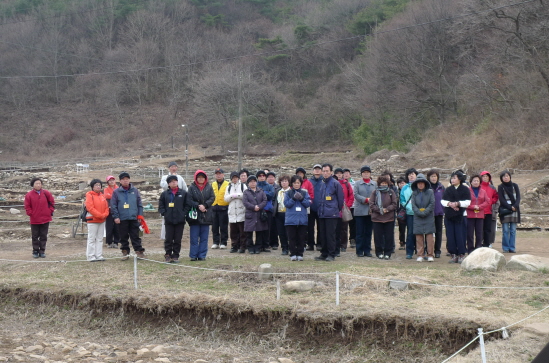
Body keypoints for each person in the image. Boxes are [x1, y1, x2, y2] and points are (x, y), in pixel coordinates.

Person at [111, 172, 146, 260]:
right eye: (123, 179)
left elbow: (139, 204)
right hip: (122, 218)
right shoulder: (116, 192)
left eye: (127, 179)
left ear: (129, 180)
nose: (125, 181)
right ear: (120, 181)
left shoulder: (135, 191)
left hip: (134, 217)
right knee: (123, 237)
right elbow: (113, 205)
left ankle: (139, 252)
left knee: (135, 236)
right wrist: (116, 217)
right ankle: (125, 252)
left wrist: (140, 215)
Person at [158, 175, 191, 263]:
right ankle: (168, 254)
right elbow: (161, 205)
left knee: (177, 239)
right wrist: (164, 213)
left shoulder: (183, 193)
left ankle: (176, 255)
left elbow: (187, 205)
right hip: (169, 220)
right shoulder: (165, 194)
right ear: (168, 184)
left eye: (175, 181)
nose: (174, 182)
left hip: (180, 220)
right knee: (168, 238)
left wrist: (183, 213)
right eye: (171, 181)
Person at [315, 164, 344, 262]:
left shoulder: (336, 183)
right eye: (324, 171)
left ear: (331, 172)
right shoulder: (322, 183)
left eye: (327, 171)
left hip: (332, 214)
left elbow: (340, 200)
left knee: (330, 235)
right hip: (322, 213)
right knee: (322, 235)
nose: (325, 173)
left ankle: (331, 254)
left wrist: (335, 210)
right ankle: (324, 253)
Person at [441, 170, 471, 263]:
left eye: (454, 178)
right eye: (452, 178)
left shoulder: (465, 189)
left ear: (460, 179)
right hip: (449, 216)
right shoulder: (448, 189)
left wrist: (458, 204)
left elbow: (468, 202)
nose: (452, 179)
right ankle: (453, 254)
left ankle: (461, 254)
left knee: (460, 235)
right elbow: (443, 201)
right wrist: (450, 204)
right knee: (450, 235)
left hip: (461, 216)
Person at [186, 170, 215, 261]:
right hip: (195, 216)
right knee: (194, 237)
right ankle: (193, 255)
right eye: (199, 177)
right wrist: (198, 206)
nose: (201, 179)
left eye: (202, 177)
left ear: (205, 178)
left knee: (204, 238)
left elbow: (212, 197)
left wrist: (205, 205)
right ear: (196, 178)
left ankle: (202, 255)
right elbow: (189, 199)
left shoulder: (209, 187)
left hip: (206, 214)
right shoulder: (191, 187)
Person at [24, 177, 55, 259]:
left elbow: (52, 202)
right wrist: (31, 213)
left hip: (45, 218)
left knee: (43, 235)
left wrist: (49, 211)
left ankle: (42, 251)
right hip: (34, 219)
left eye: (39, 183)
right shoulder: (29, 195)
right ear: (33, 185)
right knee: (35, 236)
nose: (38, 185)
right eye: (36, 183)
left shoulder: (46, 193)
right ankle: (35, 251)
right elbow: (27, 206)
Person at [369, 175, 397, 260]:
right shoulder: (375, 192)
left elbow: (394, 204)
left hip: (389, 218)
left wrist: (387, 209)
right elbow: (371, 204)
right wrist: (379, 210)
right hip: (377, 218)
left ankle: (388, 253)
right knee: (378, 236)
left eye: (385, 183)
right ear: (379, 184)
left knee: (389, 236)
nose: (384, 185)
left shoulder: (391, 192)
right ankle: (379, 252)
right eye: (382, 183)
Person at [284, 175, 311, 261]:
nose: (296, 184)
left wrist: (302, 198)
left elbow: (308, 204)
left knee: (301, 237)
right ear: (292, 183)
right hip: (291, 219)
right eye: (295, 183)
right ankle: (292, 253)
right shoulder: (288, 193)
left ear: (301, 183)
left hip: (302, 219)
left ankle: (300, 254)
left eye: (298, 183)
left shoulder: (304, 192)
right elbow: (287, 204)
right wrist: (293, 198)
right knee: (291, 238)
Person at [160, 161, 188, 241]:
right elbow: (164, 187)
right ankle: (166, 236)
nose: (173, 168)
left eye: (175, 167)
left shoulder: (180, 177)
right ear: (169, 168)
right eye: (172, 167)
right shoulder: (164, 177)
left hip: (179, 200)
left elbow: (185, 189)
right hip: (168, 200)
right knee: (166, 220)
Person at [410, 173, 435, 262]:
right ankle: (420, 254)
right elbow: (413, 205)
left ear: (425, 183)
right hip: (417, 217)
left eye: (422, 183)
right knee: (419, 237)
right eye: (418, 183)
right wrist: (419, 212)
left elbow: (432, 203)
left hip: (428, 217)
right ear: (416, 184)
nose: (420, 184)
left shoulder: (430, 192)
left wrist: (425, 212)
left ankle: (430, 255)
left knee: (429, 237)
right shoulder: (414, 193)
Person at [353, 165, 377, 257]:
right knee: (359, 232)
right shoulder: (357, 183)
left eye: (367, 172)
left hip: (370, 211)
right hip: (360, 211)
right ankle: (359, 250)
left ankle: (367, 250)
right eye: (364, 173)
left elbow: (376, 194)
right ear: (361, 174)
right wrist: (366, 200)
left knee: (368, 232)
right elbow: (356, 194)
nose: (366, 174)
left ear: (370, 174)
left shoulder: (374, 184)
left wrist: (371, 200)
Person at [242, 175, 268, 254]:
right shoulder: (246, 192)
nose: (253, 183)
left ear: (256, 182)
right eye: (251, 182)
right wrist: (253, 207)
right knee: (249, 232)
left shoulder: (261, 191)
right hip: (250, 214)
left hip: (259, 214)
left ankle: (258, 247)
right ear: (248, 183)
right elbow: (245, 202)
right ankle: (250, 247)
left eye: (254, 181)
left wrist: (259, 207)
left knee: (259, 232)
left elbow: (264, 200)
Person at [85, 179, 110, 262]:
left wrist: (105, 214)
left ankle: (98, 255)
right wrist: (100, 215)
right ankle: (91, 256)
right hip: (93, 220)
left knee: (100, 238)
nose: (98, 186)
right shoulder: (89, 195)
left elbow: (106, 207)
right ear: (92, 186)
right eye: (96, 185)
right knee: (92, 238)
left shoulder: (102, 196)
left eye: (99, 185)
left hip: (102, 220)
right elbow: (90, 208)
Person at [224, 171, 248, 253]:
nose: (235, 179)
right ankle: (234, 246)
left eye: (236, 178)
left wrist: (237, 195)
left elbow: (245, 195)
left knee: (242, 231)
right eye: (233, 178)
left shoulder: (242, 186)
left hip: (241, 211)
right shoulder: (228, 187)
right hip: (232, 212)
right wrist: (231, 196)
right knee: (233, 231)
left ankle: (243, 246)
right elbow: (226, 199)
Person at [466, 175, 490, 254]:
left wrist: (479, 207)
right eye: (474, 181)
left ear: (480, 182)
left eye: (477, 181)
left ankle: (478, 248)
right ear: (471, 182)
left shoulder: (483, 191)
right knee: (470, 233)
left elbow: (487, 201)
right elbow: (465, 202)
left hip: (480, 215)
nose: (476, 182)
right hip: (470, 215)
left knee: (479, 233)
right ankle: (470, 249)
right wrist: (473, 207)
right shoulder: (467, 191)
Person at [498, 171, 520, 253]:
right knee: (505, 230)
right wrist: (510, 207)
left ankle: (512, 247)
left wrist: (515, 206)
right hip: (505, 211)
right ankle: (506, 247)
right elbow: (501, 199)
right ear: (501, 178)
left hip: (515, 210)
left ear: (510, 177)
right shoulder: (500, 187)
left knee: (513, 230)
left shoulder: (515, 186)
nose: (505, 177)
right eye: (503, 176)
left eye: (507, 176)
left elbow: (518, 197)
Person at [334, 168, 354, 254]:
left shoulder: (346, 184)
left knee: (344, 228)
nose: (339, 175)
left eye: (340, 173)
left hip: (344, 209)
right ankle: (335, 245)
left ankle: (343, 245)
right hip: (334, 209)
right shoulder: (333, 183)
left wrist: (348, 206)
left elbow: (351, 196)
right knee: (335, 228)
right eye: (337, 173)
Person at [400, 168, 418, 259]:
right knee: (410, 232)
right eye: (409, 174)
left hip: (420, 213)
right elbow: (402, 199)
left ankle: (420, 251)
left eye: (413, 174)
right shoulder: (405, 187)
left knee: (420, 232)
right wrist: (407, 207)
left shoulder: (420, 185)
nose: (411, 175)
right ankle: (409, 252)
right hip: (409, 212)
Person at [427, 169, 445, 258]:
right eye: (432, 176)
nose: (433, 178)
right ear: (428, 177)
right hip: (428, 214)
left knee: (438, 232)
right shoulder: (426, 187)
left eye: (435, 176)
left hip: (439, 213)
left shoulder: (441, 187)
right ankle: (428, 250)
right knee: (428, 232)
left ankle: (437, 250)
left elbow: (445, 199)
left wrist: (443, 209)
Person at [256, 170, 275, 252]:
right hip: (258, 210)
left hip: (268, 209)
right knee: (258, 228)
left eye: (263, 175)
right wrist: (265, 193)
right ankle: (259, 245)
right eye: (260, 176)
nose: (261, 177)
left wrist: (261, 193)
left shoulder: (270, 186)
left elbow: (271, 195)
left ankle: (266, 245)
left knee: (267, 228)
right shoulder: (255, 185)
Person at [211, 168, 229, 250]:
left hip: (224, 208)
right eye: (217, 173)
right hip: (214, 207)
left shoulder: (227, 184)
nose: (218, 175)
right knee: (214, 227)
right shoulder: (212, 184)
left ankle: (223, 242)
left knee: (223, 226)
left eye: (220, 173)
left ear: (223, 175)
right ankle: (215, 242)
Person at [480, 171, 499, 248]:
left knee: (487, 229)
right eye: (483, 176)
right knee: (479, 229)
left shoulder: (492, 187)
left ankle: (487, 243)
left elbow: (496, 196)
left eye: (486, 176)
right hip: (479, 211)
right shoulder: (478, 186)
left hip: (488, 211)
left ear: (489, 178)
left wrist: (491, 201)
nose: (485, 178)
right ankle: (479, 243)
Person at [273, 175, 291, 255]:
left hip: (289, 214)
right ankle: (284, 248)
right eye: (282, 181)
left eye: (286, 181)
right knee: (281, 232)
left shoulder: (291, 191)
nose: (284, 183)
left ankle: (291, 247)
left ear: (289, 182)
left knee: (289, 232)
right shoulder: (278, 191)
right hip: (279, 214)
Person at [308, 164, 324, 251]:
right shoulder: (309, 181)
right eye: (315, 169)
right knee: (310, 227)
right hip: (310, 207)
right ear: (313, 171)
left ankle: (319, 244)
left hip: (321, 207)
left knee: (320, 227)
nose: (317, 171)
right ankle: (310, 244)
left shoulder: (324, 181)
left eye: (319, 169)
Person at [103, 175, 120, 248]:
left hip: (117, 210)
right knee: (109, 226)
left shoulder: (118, 188)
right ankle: (109, 242)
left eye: (113, 180)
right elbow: (106, 196)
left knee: (117, 226)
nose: (112, 181)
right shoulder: (106, 189)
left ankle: (116, 241)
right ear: (108, 182)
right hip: (109, 210)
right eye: (110, 180)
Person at [343, 168, 356, 248]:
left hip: (353, 206)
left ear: (350, 174)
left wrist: (349, 204)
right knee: (343, 225)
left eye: (347, 173)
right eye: (344, 173)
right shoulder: (340, 183)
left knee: (353, 225)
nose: (346, 174)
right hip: (343, 207)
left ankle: (353, 239)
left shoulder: (354, 183)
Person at [266, 171, 280, 249]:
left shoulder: (278, 187)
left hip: (276, 209)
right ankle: (267, 243)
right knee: (267, 227)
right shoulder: (265, 186)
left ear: (274, 178)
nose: (270, 178)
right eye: (269, 177)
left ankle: (274, 243)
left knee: (275, 228)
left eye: (272, 177)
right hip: (267, 209)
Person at [396, 177, 407, 251]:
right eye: (399, 183)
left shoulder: (408, 191)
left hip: (409, 211)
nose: (401, 185)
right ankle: (402, 242)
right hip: (400, 212)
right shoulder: (396, 192)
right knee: (401, 229)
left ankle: (410, 243)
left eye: (403, 183)